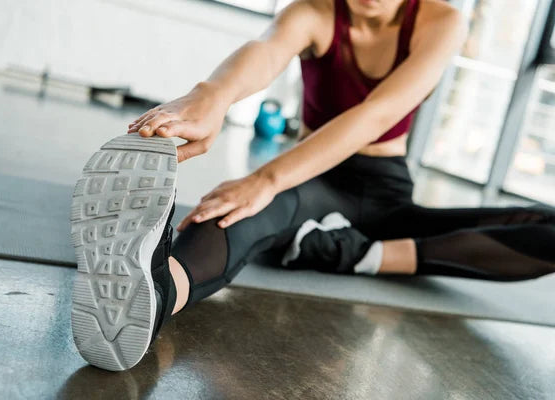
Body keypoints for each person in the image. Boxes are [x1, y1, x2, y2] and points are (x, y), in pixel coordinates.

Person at [71, 0, 555, 371]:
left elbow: (377, 115)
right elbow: (266, 51)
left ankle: (359, 254)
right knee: (238, 208)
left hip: (388, 194)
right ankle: (155, 296)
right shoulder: (316, 11)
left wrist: (265, 177)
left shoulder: (441, 20)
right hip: (315, 176)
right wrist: (212, 97)